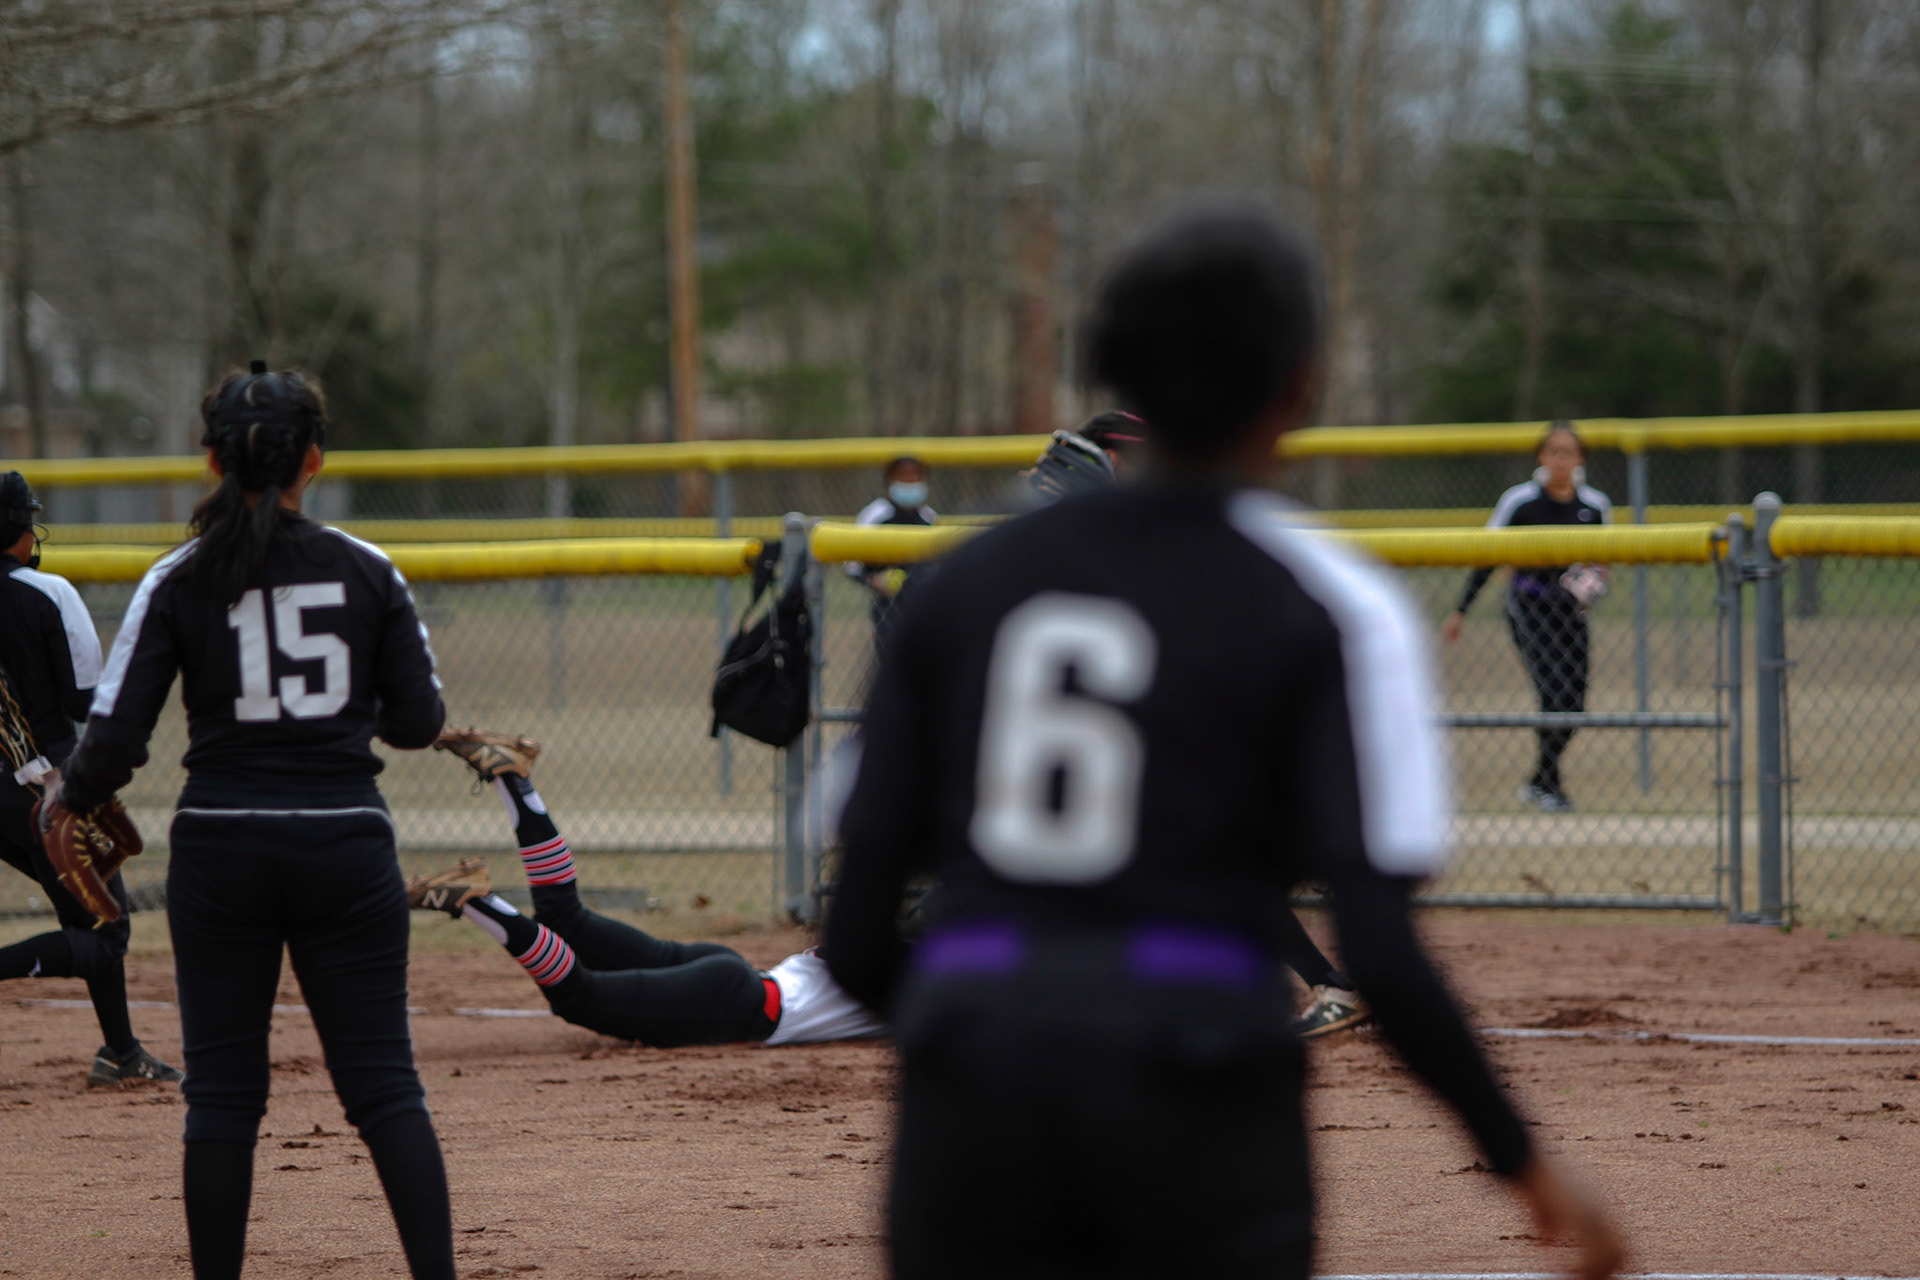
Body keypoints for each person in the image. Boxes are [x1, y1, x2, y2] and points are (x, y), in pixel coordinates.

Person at [823, 205, 1623, 1280]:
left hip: (975, 1091)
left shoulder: (960, 584)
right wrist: (1520, 1159)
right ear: (1296, 389)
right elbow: (1382, 952)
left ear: (1111, 380)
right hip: (1200, 1073)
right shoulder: (1328, 597)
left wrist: (976, 1033)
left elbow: (854, 936)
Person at [54, 363, 456, 1280]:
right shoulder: (367, 569)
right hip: (344, 843)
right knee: (385, 1087)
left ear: (212, 461)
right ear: (313, 459)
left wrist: (67, 795)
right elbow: (418, 723)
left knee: (224, 1100)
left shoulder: (179, 576)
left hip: (221, 847)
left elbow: (113, 742)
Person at [410, 727, 887, 1049]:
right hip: (738, 1004)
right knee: (577, 996)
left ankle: (512, 777)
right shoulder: (917, 981)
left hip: (737, 974)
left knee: (563, 918)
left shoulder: (905, 956)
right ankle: (478, 903)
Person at [0, 471, 182, 1085]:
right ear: (19, 528)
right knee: (106, 930)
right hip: (41, 790)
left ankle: (122, 1053)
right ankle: (122, 1053)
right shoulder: (47, 591)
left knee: (85, 917)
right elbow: (85, 702)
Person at [1441, 422, 1612, 812]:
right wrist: (1461, 609)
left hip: (1571, 610)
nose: (1561, 460)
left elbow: (1603, 561)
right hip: (1529, 604)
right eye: (1554, 451)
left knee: (1575, 702)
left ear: (1581, 459)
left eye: (1569, 452)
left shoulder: (1594, 505)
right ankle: (1550, 785)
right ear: (1541, 457)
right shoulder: (1520, 501)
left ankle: (1540, 779)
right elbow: (1488, 556)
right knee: (1553, 693)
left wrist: (1592, 583)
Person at [847, 455, 936, 642]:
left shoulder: (929, 517)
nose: (910, 481)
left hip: (924, 603)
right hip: (887, 607)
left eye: (915, 476)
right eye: (902, 476)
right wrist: (874, 581)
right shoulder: (875, 515)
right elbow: (852, 565)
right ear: (889, 481)